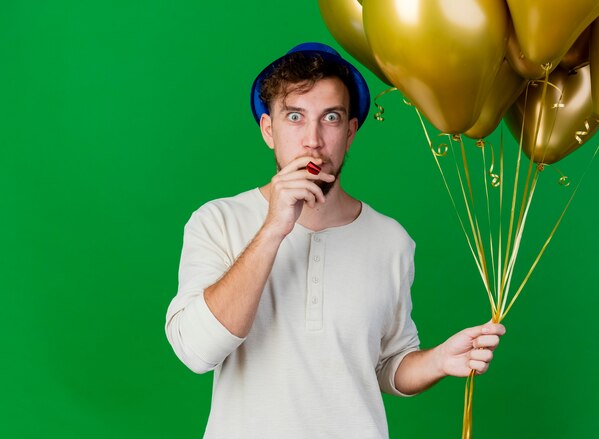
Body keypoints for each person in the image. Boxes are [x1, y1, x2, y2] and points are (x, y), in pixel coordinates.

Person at [165, 42, 505, 438]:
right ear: (268, 130)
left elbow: (387, 364)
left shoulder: (390, 240)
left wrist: (439, 361)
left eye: (330, 117)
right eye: (294, 116)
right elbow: (196, 351)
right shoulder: (217, 221)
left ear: (350, 131)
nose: (312, 139)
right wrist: (274, 227)